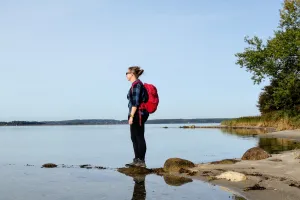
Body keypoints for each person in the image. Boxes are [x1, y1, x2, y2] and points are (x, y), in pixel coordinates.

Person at [125, 66, 149, 168]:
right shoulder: (134, 85)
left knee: (139, 137)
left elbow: (135, 103)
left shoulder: (137, 85)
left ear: (132, 74)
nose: (126, 75)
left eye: (127, 73)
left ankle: (141, 161)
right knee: (134, 137)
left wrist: (131, 116)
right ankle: (136, 160)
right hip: (135, 114)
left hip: (137, 114)